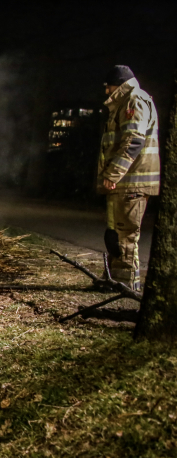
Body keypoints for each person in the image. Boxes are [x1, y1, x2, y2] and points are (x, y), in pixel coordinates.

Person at [97, 65, 160, 291]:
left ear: (119, 84)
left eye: (109, 87)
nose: (107, 92)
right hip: (125, 182)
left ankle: (125, 286)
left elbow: (133, 141)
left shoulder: (134, 101)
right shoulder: (127, 101)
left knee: (124, 237)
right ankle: (113, 281)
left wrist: (113, 173)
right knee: (115, 235)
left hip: (132, 182)